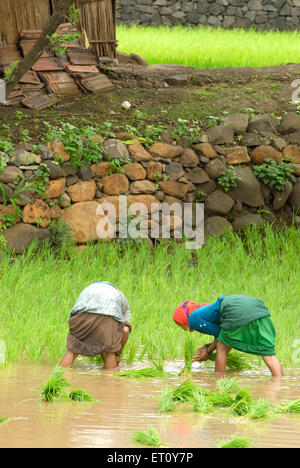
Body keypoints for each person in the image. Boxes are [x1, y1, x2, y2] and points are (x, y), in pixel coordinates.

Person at [173, 295, 283, 377]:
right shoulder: (205, 311)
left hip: (234, 308)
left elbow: (221, 336)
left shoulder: (193, 319)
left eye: (179, 324)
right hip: (259, 309)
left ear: (184, 318)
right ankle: (280, 385)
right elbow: (223, 333)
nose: (182, 328)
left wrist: (208, 351)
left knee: (222, 347)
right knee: (268, 354)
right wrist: (208, 347)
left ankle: (219, 382)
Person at [60, 281, 132, 370]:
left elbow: (73, 314)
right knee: (109, 353)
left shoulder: (88, 289)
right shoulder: (121, 297)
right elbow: (125, 330)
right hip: (109, 316)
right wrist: (117, 353)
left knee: (73, 350)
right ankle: (111, 381)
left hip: (81, 315)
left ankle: (59, 376)